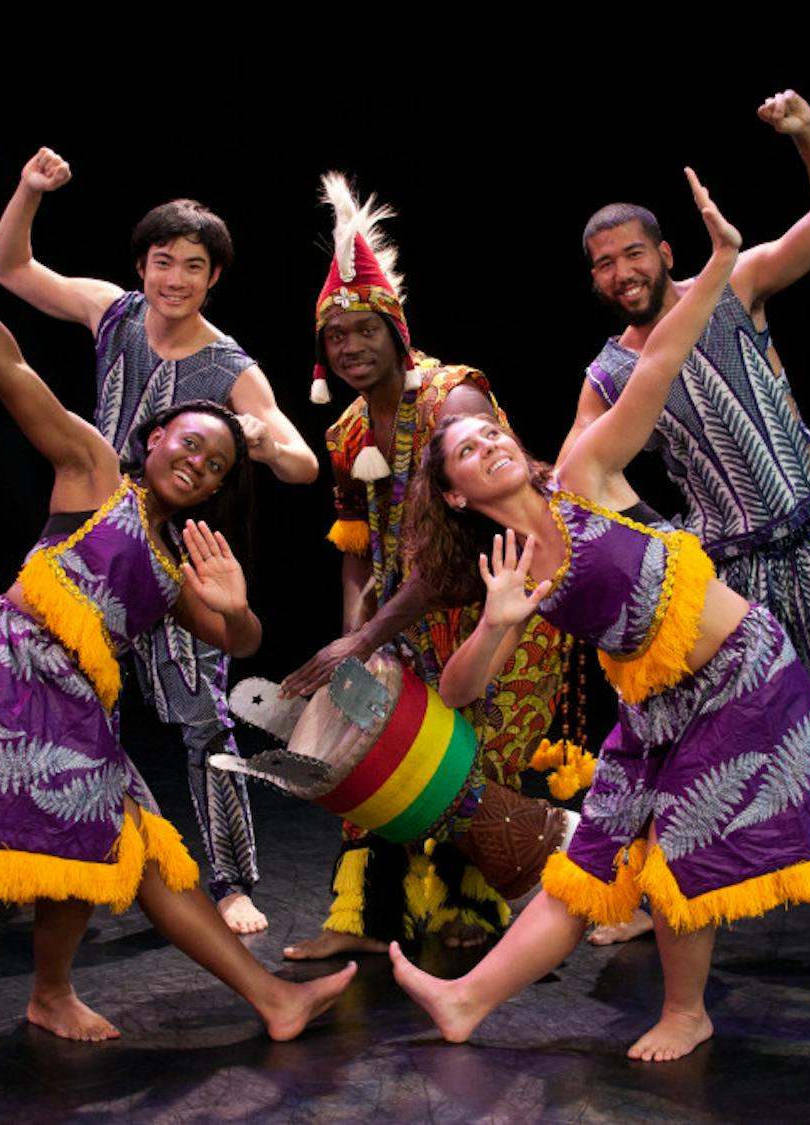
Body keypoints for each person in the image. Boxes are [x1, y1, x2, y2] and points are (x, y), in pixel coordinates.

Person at [390, 169, 810, 1062]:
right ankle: (465, 1001)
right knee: (585, 870)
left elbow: (656, 365)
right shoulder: (509, 568)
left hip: (739, 674)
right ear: (455, 494)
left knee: (675, 853)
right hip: (656, 712)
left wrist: (725, 257)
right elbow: (458, 690)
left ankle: (688, 1010)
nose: (490, 439)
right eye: (466, 448)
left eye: (491, 429)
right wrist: (499, 621)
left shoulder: (583, 474)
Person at [0, 162, 354, 1044]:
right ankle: (93, 993)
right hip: (4, 668)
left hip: (65, 696)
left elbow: (235, 639)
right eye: (188, 446)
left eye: (214, 465)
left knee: (135, 847)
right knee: (119, 842)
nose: (197, 465)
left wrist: (238, 601)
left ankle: (137, 993)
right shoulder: (93, 471)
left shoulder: (179, 556)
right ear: (154, 434)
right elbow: (8, 357)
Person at [558, 91, 810, 962]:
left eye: (633, 253)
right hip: (725, 577)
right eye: (604, 264)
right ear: (595, 279)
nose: (622, 271)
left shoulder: (733, 286)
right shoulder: (608, 372)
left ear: (664, 251)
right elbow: (574, 487)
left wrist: (806, 134)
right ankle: (664, 897)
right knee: (689, 744)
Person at [0, 148, 320, 934]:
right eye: (162, 262)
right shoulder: (114, 312)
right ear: (142, 266)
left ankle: (231, 879)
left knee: (204, 716)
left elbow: (302, 462)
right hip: (96, 544)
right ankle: (42, 862)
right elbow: (10, 267)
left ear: (214, 278)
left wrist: (266, 443)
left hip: (173, 555)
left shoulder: (231, 363)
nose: (174, 278)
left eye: (192, 267)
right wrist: (30, 190)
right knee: (54, 699)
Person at [277, 174, 566, 959]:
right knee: (374, 758)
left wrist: (366, 637)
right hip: (404, 621)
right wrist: (352, 637)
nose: (351, 348)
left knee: (472, 766)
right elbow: (357, 544)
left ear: (396, 330)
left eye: (365, 331)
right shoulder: (344, 431)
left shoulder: (454, 399)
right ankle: (368, 922)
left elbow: (462, 556)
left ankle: (479, 922)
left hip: (500, 606)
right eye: (336, 339)